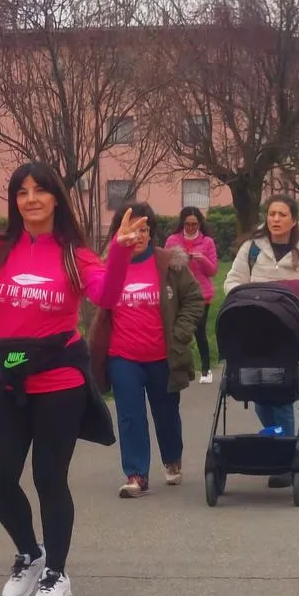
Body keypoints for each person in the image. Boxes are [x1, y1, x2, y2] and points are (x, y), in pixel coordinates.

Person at [0, 163, 145, 596]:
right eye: (22, 192)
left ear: (56, 198)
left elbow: (106, 296)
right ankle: (30, 553)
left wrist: (119, 251)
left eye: (41, 191)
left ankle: (57, 572)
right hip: (5, 379)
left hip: (57, 382)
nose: (31, 199)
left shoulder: (75, 255)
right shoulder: (0, 249)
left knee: (48, 478)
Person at [91, 202, 204, 499]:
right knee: (130, 416)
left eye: (145, 229)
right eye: (132, 229)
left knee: (166, 413)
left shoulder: (169, 264)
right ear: (119, 232)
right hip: (122, 356)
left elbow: (193, 300)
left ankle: (172, 458)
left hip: (162, 356)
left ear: (151, 233)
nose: (139, 235)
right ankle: (136, 475)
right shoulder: (110, 266)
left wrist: (179, 334)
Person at [225, 196, 299, 458]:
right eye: (272, 214)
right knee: (259, 396)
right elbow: (232, 282)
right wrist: (245, 294)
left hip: (292, 337)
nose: (275, 219)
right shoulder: (252, 248)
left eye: (282, 215)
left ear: (294, 220)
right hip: (254, 333)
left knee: (284, 395)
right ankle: (279, 441)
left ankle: (286, 455)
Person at [165, 206, 219, 384]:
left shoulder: (207, 242)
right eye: (187, 224)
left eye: (194, 224)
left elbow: (212, 271)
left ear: (200, 224)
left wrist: (202, 259)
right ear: (182, 223)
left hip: (201, 295)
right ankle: (176, 367)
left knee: (199, 331)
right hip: (177, 293)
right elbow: (164, 265)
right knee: (175, 331)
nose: (190, 228)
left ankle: (205, 369)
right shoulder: (173, 240)